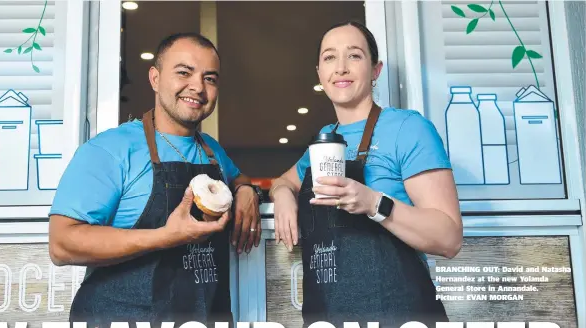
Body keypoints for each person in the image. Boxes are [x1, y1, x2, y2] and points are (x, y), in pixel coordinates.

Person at [48, 32, 263, 326]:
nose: (197, 87)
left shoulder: (213, 152)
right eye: (184, 73)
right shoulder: (110, 149)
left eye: (209, 78)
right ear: (155, 78)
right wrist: (165, 236)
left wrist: (247, 190)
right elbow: (62, 244)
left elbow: (239, 179)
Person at [269, 20, 463, 327]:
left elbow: (449, 238)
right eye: (330, 57)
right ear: (319, 73)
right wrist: (281, 196)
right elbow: (283, 180)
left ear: (376, 70)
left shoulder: (408, 128)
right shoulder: (324, 141)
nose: (341, 67)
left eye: (354, 55)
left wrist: (374, 203)